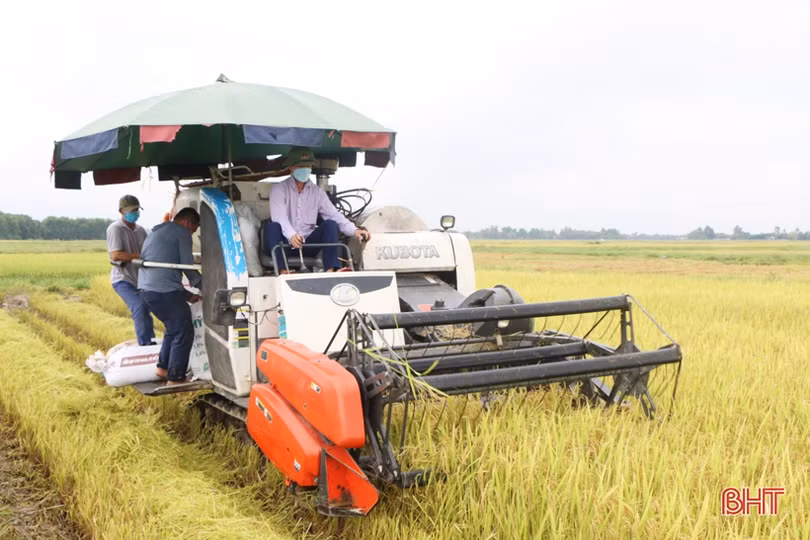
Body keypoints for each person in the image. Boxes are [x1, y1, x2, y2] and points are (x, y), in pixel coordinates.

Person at [263, 146, 371, 273]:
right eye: (300, 166)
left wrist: (354, 230)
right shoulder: (279, 189)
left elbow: (334, 215)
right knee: (272, 227)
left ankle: (331, 270)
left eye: (307, 166)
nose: (304, 169)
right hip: (284, 244)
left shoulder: (317, 193)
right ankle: (282, 270)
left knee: (330, 225)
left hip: (307, 245)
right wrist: (292, 236)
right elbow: (279, 217)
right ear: (291, 167)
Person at [138, 208, 202, 385]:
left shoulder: (157, 230)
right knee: (183, 330)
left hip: (146, 291)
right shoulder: (182, 233)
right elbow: (187, 267)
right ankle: (176, 377)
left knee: (173, 328)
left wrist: (187, 295)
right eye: (195, 229)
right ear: (189, 223)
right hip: (163, 292)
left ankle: (163, 368)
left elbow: (164, 268)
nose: (193, 233)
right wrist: (206, 286)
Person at [106, 194, 155, 346]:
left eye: (136, 210)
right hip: (123, 279)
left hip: (140, 278)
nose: (135, 213)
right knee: (139, 306)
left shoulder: (141, 230)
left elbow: (148, 250)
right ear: (122, 211)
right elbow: (115, 255)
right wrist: (138, 256)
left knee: (149, 305)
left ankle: (150, 340)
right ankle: (145, 343)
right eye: (131, 210)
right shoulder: (115, 229)